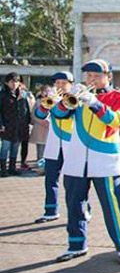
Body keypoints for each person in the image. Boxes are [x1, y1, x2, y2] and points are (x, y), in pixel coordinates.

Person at [54, 59, 120, 263]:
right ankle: (76, 244)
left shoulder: (119, 96)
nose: (91, 79)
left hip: (104, 159)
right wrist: (67, 99)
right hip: (77, 158)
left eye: (96, 76)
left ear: (108, 77)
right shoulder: (78, 96)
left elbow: (115, 120)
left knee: (112, 205)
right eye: (88, 76)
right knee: (74, 203)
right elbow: (59, 114)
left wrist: (95, 103)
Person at [33, 72, 77, 223]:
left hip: (71, 145)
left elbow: (66, 114)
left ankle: (82, 211)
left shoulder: (75, 99)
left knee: (74, 183)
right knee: (50, 179)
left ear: (71, 84)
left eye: (63, 83)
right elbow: (39, 114)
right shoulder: (52, 98)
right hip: (53, 143)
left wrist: (60, 103)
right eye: (57, 83)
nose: (59, 86)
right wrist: (47, 103)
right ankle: (50, 210)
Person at [0, 72, 31, 177]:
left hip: (19, 126)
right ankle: (3, 169)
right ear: (7, 82)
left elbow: (26, 110)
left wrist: (27, 123)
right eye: (12, 81)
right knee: (5, 148)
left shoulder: (23, 95)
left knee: (15, 148)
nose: (14, 83)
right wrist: (1, 124)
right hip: (7, 126)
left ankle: (12, 168)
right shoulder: (2, 94)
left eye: (17, 81)